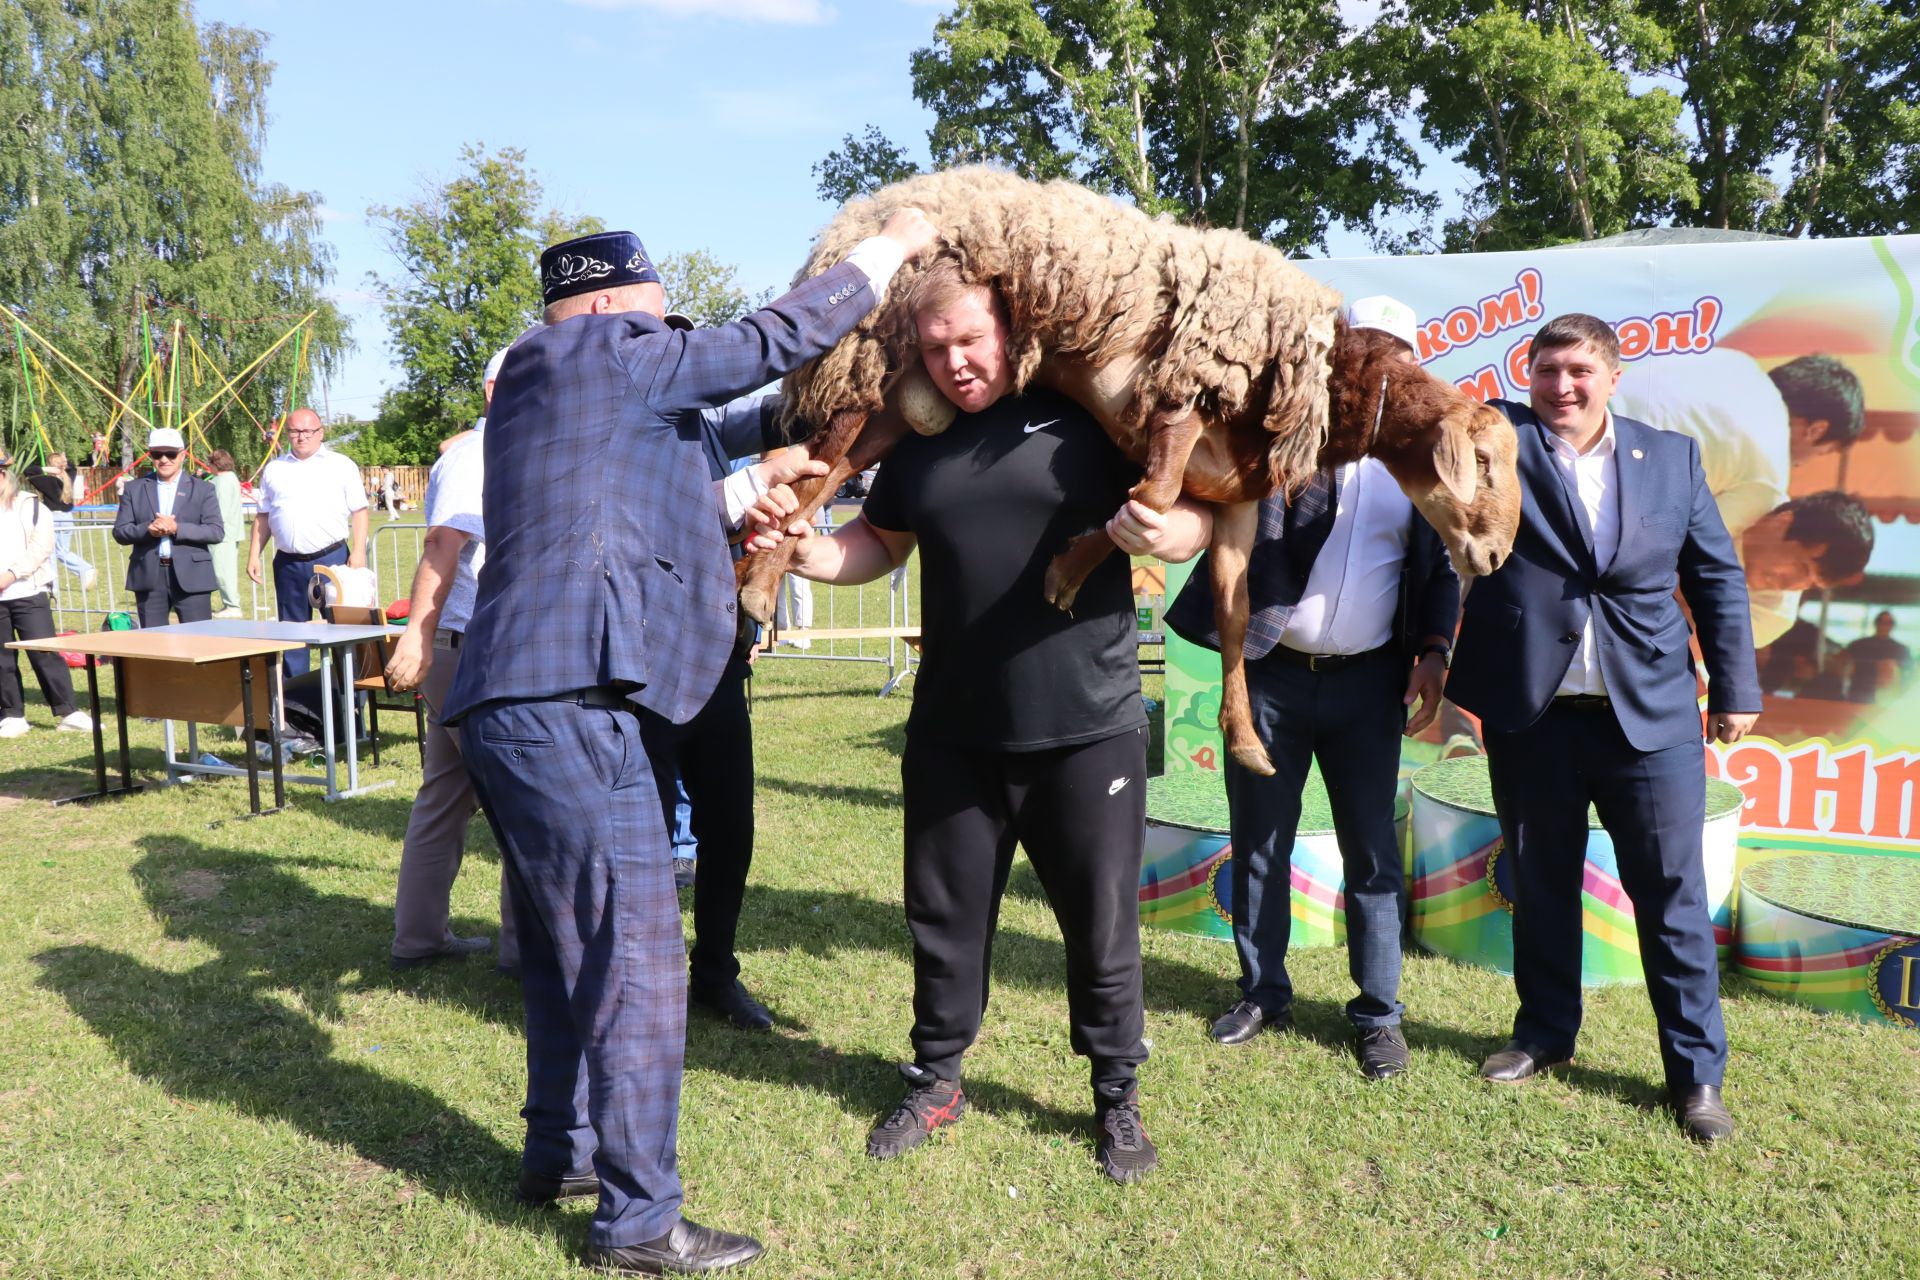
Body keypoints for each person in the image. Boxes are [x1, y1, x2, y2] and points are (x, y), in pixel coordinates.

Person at [443, 212, 935, 1276]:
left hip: (520, 699)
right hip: (577, 698)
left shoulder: (559, 392)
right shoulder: (594, 350)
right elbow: (766, 343)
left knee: (567, 945)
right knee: (637, 956)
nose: (671, 335)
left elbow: (688, 462)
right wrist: (887, 253)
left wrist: (780, 470)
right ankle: (636, 1221)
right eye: (664, 320)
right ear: (626, 306)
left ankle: (560, 1152)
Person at [786, 260, 1180, 1184]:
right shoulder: (918, 438)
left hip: (1088, 726)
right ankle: (937, 1078)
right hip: (955, 730)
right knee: (945, 919)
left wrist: (1173, 535)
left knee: (1101, 925)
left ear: (1010, 333)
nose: (957, 362)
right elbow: (878, 545)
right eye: (936, 347)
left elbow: (1188, 509)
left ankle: (1117, 1096)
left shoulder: (1090, 417)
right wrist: (806, 549)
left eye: (971, 340)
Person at [1447, 313, 1761, 1144]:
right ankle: (1545, 1036)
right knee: (1541, 885)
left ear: (1613, 377)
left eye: (1580, 371)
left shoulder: (1672, 457)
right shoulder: (1498, 441)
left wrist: (1735, 686)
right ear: (1528, 376)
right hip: (1532, 715)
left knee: (1672, 898)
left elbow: (1717, 577)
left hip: (1650, 719)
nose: (1563, 387)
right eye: (1547, 370)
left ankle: (1695, 1076)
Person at [1161, 295, 1459, 1080]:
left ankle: (1379, 1013)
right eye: (1365, 354)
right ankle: (1263, 991)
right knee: (1260, 842)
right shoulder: (1286, 442)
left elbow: (1436, 573)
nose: (1379, 374)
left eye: (1396, 357)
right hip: (1273, 679)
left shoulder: (1420, 465)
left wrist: (1433, 648)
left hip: (1371, 688)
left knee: (1372, 855)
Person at [384, 344, 519, 975]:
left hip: (466, 647)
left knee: (444, 796)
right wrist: (417, 634)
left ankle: (418, 938)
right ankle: (524, 951)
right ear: (496, 389)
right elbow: (443, 542)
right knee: (523, 799)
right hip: (473, 650)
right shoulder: (478, 455)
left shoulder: (494, 448)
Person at [246, 408, 368, 675]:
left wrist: (358, 552)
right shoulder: (274, 469)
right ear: (287, 434)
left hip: (333, 560)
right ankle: (296, 706)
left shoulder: (341, 465)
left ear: (320, 432)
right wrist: (254, 555)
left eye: (307, 431)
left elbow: (360, 511)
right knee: (292, 637)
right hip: (288, 564)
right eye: (294, 431)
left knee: (340, 634)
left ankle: (347, 701)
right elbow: (264, 516)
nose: (301, 437)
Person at [0, 449, 91, 737]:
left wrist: (11, 575)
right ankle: (12, 714)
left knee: (44, 652)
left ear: (5, 473)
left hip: (29, 590)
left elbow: (42, 546)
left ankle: (68, 710)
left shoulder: (31, 505)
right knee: (1, 658)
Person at [112, 427, 224, 628]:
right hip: (149, 577)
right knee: (154, 646)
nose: (164, 459)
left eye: (170, 454)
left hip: (193, 577)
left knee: (199, 642)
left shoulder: (203, 489)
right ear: (151, 456)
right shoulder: (134, 489)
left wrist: (176, 528)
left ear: (182, 455)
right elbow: (120, 531)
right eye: (157, 454)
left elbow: (215, 531)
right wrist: (148, 529)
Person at [1737, 491, 1875, 645]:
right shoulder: (1746, 489)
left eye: (1811, 585)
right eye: (1802, 567)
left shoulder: (1773, 614)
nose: (1790, 586)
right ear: (1784, 521)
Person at [24, 452, 96, 592]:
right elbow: (72, 468)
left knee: (56, 553)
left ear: (52, 466)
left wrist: (46, 469)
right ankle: (54, 585)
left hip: (55, 519)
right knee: (59, 552)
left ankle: (84, 570)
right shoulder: (68, 477)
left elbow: (28, 471)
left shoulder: (49, 482)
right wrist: (64, 460)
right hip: (67, 518)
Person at [205, 451, 247, 617]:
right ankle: (230, 604)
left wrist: (211, 527)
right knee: (225, 569)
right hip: (231, 531)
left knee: (222, 571)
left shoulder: (221, 481)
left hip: (222, 533)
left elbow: (220, 509)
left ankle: (232, 606)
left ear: (216, 464)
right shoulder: (231, 478)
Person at [1844, 610, 1912, 703]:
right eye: (1881, 622)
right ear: (1876, 623)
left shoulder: (1901, 649)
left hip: (1887, 696)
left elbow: (1909, 674)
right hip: (1859, 693)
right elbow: (1843, 664)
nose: (1884, 626)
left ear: (1892, 626)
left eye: (1888, 623)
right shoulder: (1858, 645)